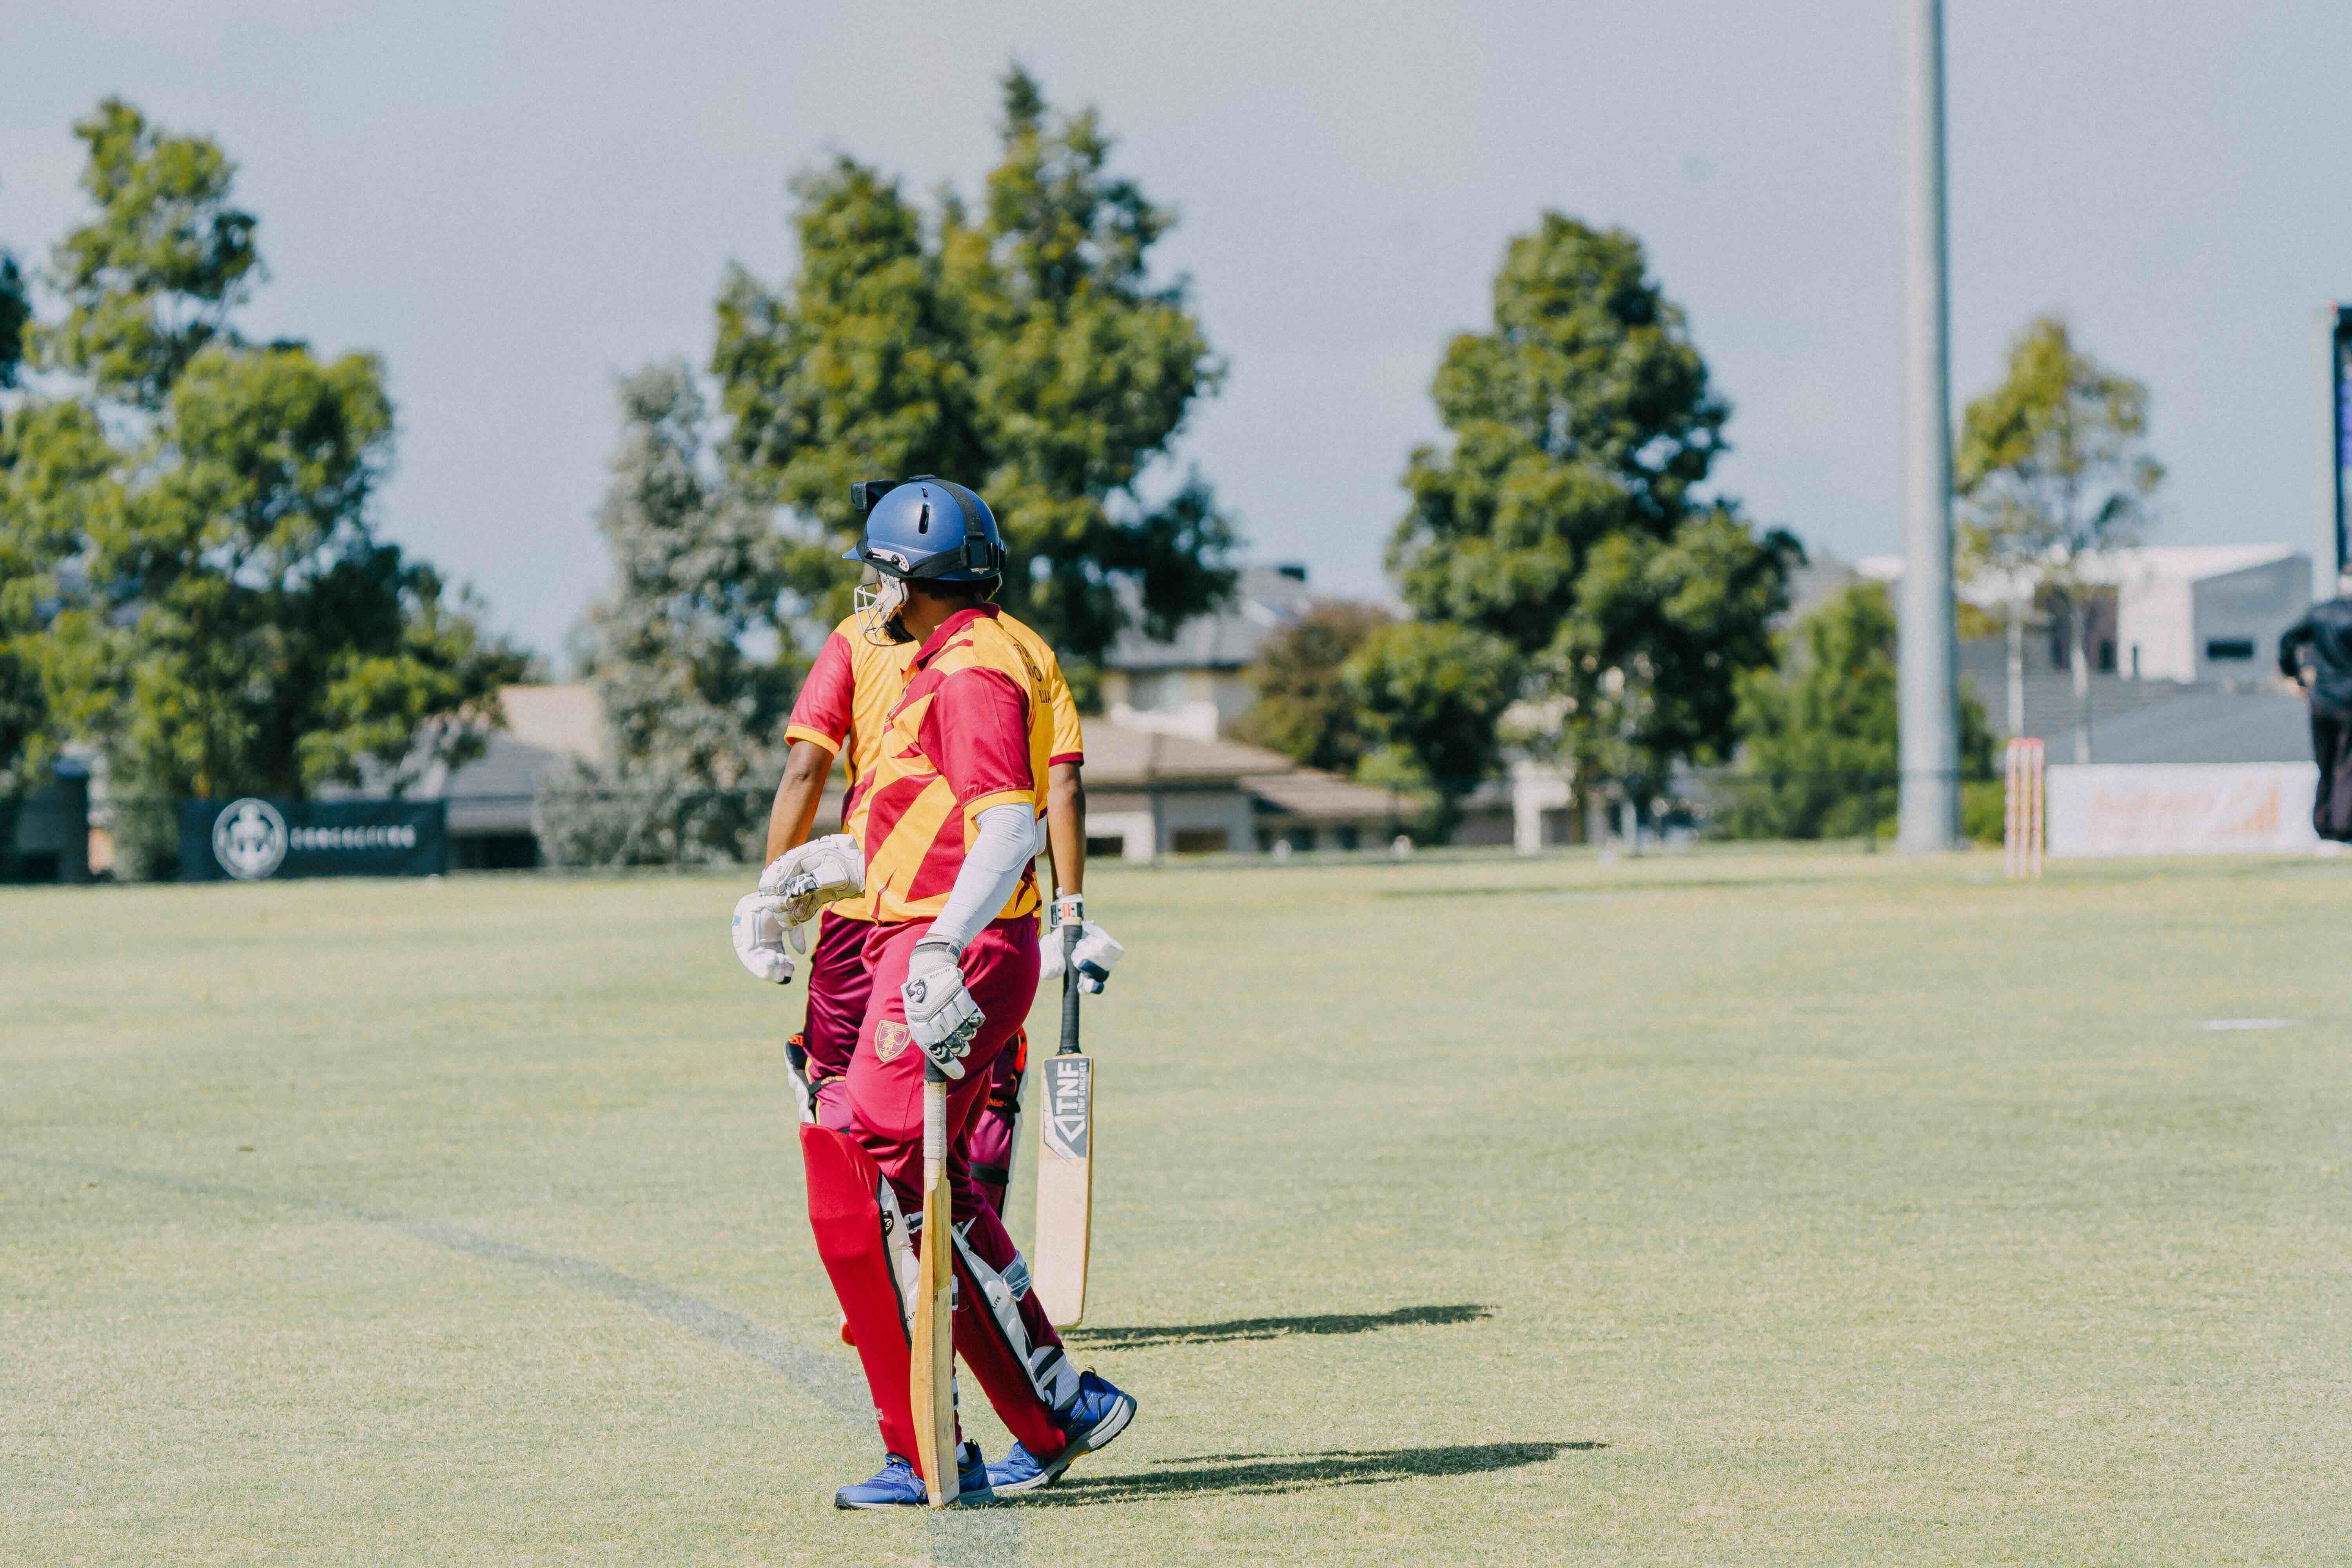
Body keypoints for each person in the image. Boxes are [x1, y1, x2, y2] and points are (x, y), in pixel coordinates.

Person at [749, 477, 1134, 1509]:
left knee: (875, 1150)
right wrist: (792, 884)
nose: (869, 592)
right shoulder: (963, 653)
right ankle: (1053, 1410)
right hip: (927, 935)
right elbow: (914, 829)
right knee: (925, 1186)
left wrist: (938, 953)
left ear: (906, 579)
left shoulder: (967, 670)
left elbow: (1007, 824)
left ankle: (962, 1430)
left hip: (947, 950)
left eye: (878, 574)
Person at [2278, 584, 2352, 842]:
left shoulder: (2320, 613)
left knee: (2325, 764)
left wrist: (2293, 676)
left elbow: (2287, 640)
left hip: (2320, 701)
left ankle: (2323, 825)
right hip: (2349, 703)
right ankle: (2342, 828)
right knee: (2346, 766)